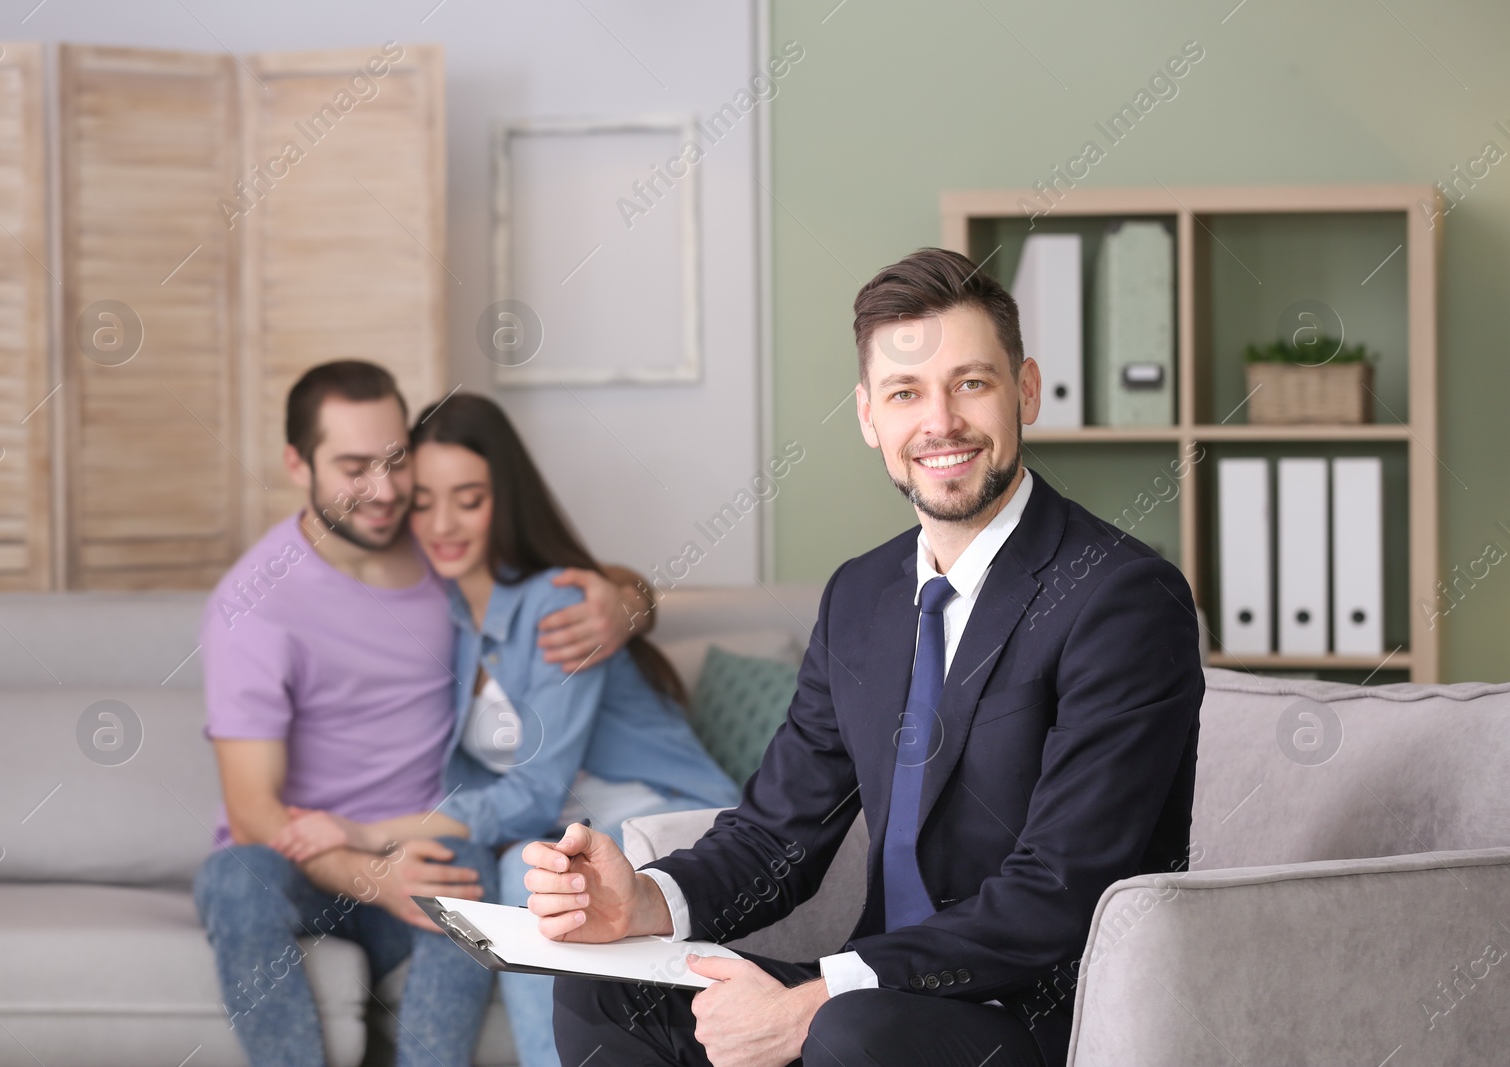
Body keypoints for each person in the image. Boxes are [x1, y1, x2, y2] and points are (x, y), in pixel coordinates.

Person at [523, 248, 1206, 1067]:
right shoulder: (862, 595)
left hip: (1033, 1013)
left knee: (847, 1027)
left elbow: (1056, 893)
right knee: (601, 986)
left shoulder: (1122, 597)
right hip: (874, 994)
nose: (940, 422)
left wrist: (821, 997)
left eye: (972, 384)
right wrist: (643, 900)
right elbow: (778, 832)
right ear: (868, 415)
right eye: (906, 393)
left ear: (1025, 389)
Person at [193, 361, 656, 1067]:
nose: (382, 492)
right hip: (310, 866)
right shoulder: (252, 604)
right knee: (234, 876)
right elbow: (255, 811)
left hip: (435, 843)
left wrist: (624, 605)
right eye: (353, 467)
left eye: (394, 461)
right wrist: (373, 874)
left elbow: (556, 570)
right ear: (296, 463)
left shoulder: (436, 541)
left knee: (468, 870)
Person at [272, 392, 742, 1067]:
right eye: (424, 501)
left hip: (671, 824)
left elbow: (533, 794)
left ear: (506, 499)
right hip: (582, 836)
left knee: (527, 867)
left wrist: (363, 830)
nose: (443, 523)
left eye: (469, 498)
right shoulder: (449, 619)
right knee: (516, 863)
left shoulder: (557, 603)